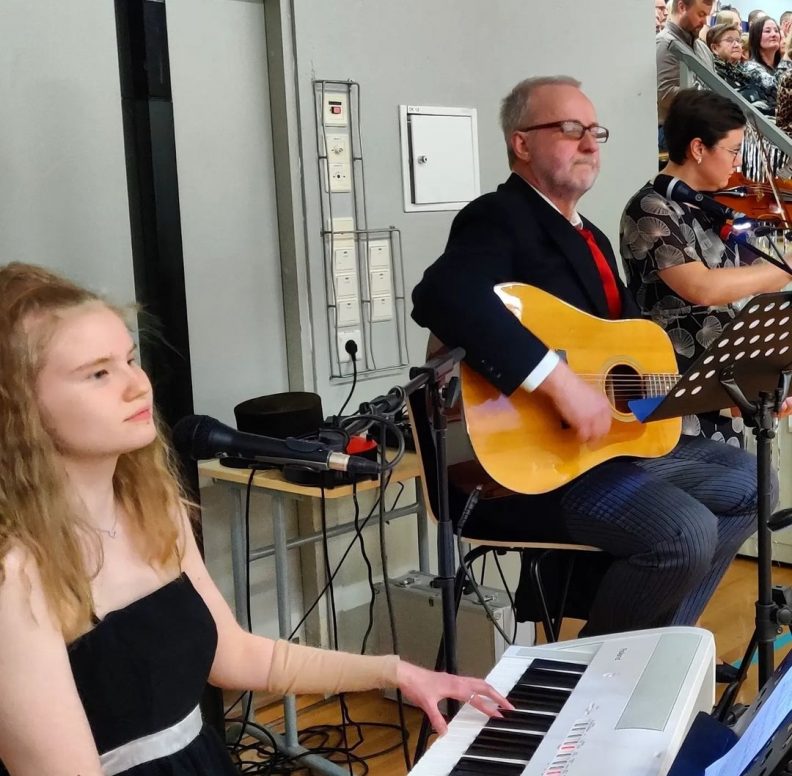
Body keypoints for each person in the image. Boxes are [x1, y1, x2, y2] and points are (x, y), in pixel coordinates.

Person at [0, 263, 510, 776]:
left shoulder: (153, 508)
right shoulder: (13, 574)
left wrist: (398, 673)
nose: (137, 386)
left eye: (131, 360)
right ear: (18, 409)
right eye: (98, 373)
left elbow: (235, 655)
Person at [412, 75, 780, 653]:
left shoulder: (592, 239)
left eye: (595, 131)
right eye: (569, 129)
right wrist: (556, 382)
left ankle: (655, 650)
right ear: (521, 143)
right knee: (684, 532)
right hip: (531, 470)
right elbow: (442, 294)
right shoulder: (498, 216)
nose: (589, 143)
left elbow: (629, 358)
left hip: (599, 451)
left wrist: (735, 389)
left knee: (751, 483)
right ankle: (588, 673)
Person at [621, 88, 791, 445]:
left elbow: (758, 280)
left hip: (725, 387)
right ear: (698, 148)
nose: (738, 164)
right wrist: (785, 267)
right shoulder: (650, 209)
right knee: (745, 478)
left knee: (755, 477)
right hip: (676, 396)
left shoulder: (711, 208)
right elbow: (702, 287)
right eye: (733, 151)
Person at [656, 0, 714, 147]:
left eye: (707, 15)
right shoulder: (664, 43)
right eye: (701, 14)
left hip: (701, 128)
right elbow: (665, 94)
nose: (704, 22)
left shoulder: (703, 48)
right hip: (674, 133)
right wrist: (708, 97)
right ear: (682, 7)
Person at [707, 22, 774, 113]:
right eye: (729, 40)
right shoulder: (712, 75)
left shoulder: (749, 71)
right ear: (715, 48)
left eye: (738, 40)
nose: (736, 45)